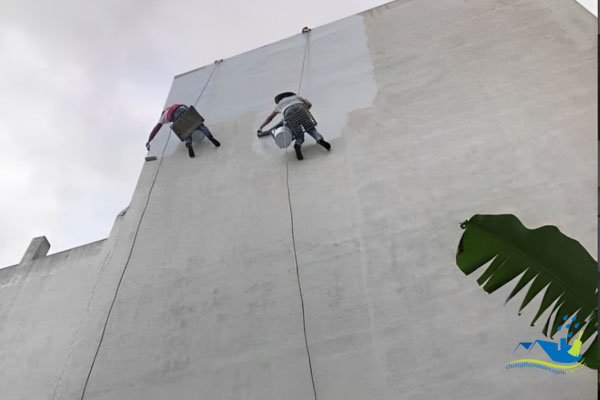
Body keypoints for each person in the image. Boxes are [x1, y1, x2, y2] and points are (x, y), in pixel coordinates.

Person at [257, 92, 330, 160]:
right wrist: (304, 111)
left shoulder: (279, 105)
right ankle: (320, 140)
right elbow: (309, 104)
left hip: (288, 113)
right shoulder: (296, 97)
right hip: (301, 109)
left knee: (299, 134)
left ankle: (297, 145)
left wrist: (261, 127)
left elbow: (270, 118)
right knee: (311, 129)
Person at [146, 104, 220, 158]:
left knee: (185, 132)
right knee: (199, 124)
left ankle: (188, 144)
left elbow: (156, 129)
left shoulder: (162, 117)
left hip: (175, 117)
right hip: (183, 109)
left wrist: (149, 141)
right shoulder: (173, 105)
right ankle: (210, 137)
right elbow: (185, 106)